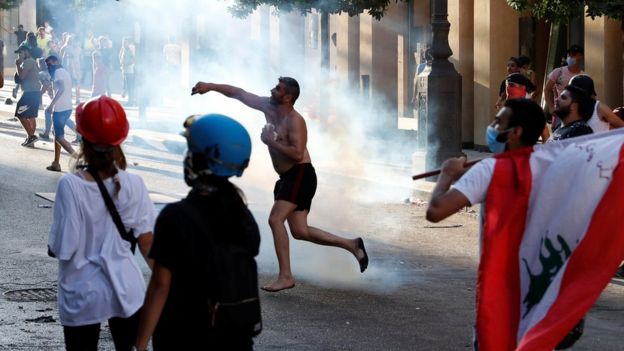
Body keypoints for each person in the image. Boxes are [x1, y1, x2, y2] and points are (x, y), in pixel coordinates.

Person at [426, 98, 584, 349]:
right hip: (544, 287)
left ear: (515, 132)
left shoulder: (489, 170)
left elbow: (435, 211)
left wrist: (447, 173)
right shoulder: (554, 164)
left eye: (499, 122)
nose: (493, 127)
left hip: (501, 288)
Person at [192, 77, 369, 292]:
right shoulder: (268, 106)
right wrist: (210, 87)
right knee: (300, 231)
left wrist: (270, 142)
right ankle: (352, 245)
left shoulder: (295, 120)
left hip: (300, 175)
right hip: (288, 178)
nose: (272, 90)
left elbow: (297, 153)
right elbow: (238, 92)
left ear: (288, 97)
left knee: (275, 219)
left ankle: (286, 276)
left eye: (278, 89)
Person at [135, 114, 261, 350]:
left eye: (190, 151)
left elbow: (160, 285)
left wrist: (140, 344)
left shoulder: (175, 216)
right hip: (234, 337)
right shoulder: (244, 216)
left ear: (201, 160)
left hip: (184, 334)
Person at [48, 95, 155, 350]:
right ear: (121, 140)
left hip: (82, 293)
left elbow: (65, 247)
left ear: (83, 139)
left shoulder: (70, 185)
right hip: (126, 289)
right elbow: (149, 246)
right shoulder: (135, 184)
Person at [44, 55, 75, 172]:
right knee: (57, 135)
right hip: (67, 107)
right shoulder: (63, 72)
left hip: (60, 109)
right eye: (47, 64)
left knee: (59, 137)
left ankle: (79, 159)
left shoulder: (58, 72)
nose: (49, 66)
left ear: (56, 62)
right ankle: (56, 163)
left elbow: (61, 89)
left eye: (50, 63)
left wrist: (51, 105)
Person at [544, 45, 584, 125]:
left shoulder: (584, 76)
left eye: (574, 54)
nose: (571, 57)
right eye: (570, 55)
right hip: (559, 112)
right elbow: (547, 89)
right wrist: (551, 107)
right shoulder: (558, 72)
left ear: (581, 57)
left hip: (577, 114)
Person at [14, 43, 42, 147]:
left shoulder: (27, 62)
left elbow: (21, 77)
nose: (19, 55)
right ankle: (30, 139)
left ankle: (31, 136)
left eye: (20, 53)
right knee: (30, 116)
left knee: (20, 114)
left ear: (26, 52)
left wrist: (17, 65)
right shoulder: (31, 61)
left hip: (29, 93)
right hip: (34, 92)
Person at [60, 35, 82, 104]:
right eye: (70, 39)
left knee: (76, 83)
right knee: (69, 83)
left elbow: (80, 56)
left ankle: (77, 98)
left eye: (72, 39)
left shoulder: (77, 47)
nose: (72, 41)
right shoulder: (65, 47)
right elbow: (61, 57)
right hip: (68, 67)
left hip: (76, 67)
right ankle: (69, 98)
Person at [119, 37, 136, 105]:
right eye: (123, 42)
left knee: (130, 87)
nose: (123, 44)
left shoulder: (130, 49)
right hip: (124, 70)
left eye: (125, 42)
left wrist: (127, 64)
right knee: (127, 86)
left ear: (128, 43)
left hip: (130, 71)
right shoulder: (124, 50)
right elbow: (121, 57)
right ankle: (131, 100)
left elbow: (134, 59)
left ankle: (131, 101)